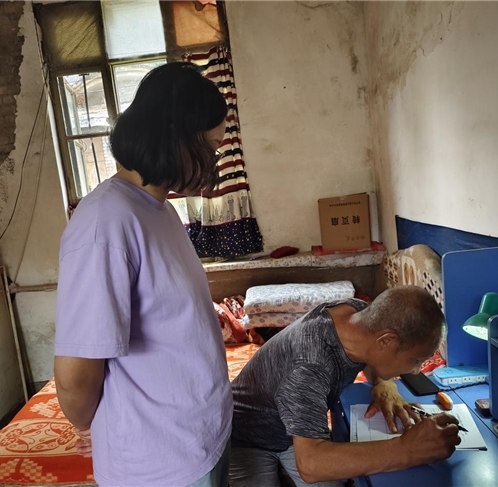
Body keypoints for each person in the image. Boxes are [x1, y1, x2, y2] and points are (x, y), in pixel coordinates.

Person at [54, 63, 232, 487]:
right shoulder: (105, 222)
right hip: (160, 464)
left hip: (200, 439)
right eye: (211, 149)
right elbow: (76, 381)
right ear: (177, 138)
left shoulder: (160, 210)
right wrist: (101, 425)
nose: (214, 164)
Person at [229, 285, 461, 487]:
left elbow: (371, 352)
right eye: (416, 360)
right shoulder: (309, 367)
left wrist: (384, 383)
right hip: (248, 439)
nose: (417, 370)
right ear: (386, 341)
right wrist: (407, 449)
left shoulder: (358, 315)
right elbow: (311, 465)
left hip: (296, 430)